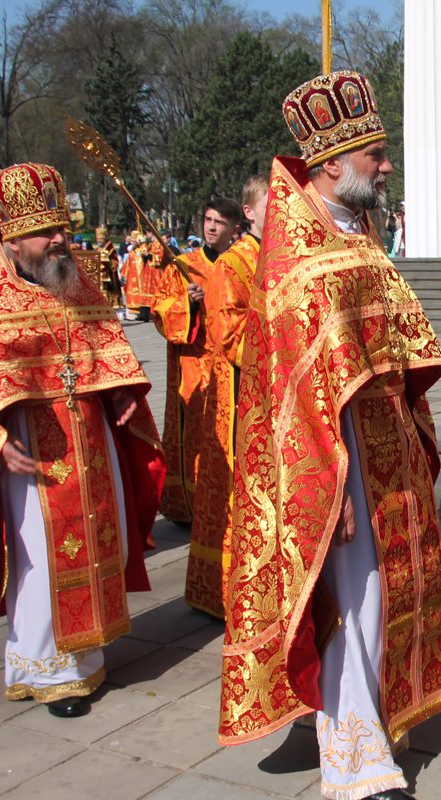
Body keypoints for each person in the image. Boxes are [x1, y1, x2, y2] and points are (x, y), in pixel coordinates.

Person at [219, 71, 441, 800]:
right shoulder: (299, 255)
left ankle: (369, 717)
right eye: (375, 155)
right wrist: (330, 487)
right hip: (339, 459)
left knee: (383, 592)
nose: (386, 166)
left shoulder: (357, 234)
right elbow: (296, 391)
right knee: (351, 598)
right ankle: (356, 761)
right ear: (331, 164)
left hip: (387, 448)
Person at [0, 163, 164, 717]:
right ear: (10, 239)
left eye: (61, 228)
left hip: (91, 436)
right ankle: (47, 668)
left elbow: (104, 343)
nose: (60, 240)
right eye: (44, 232)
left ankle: (87, 654)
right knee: (40, 556)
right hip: (30, 447)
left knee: (102, 541)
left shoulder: (74, 281)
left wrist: (119, 394)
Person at [187, 176, 267, 617]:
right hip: (239, 395)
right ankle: (227, 593)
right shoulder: (234, 264)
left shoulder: (277, 256)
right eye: (273, 203)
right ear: (250, 212)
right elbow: (228, 334)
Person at [151, 199, 238, 532]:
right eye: (208, 220)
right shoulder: (182, 265)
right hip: (193, 367)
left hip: (230, 362)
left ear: (234, 229)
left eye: (219, 222)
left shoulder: (240, 265)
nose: (211, 227)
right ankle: (190, 503)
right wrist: (186, 302)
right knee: (196, 434)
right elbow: (159, 311)